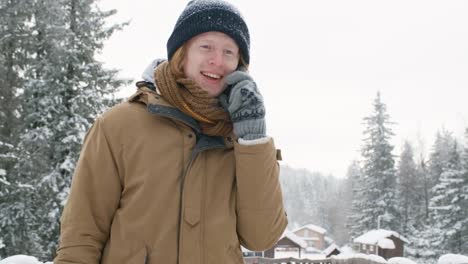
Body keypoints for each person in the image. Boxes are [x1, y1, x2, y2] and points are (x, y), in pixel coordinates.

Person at [54, 0, 287, 263]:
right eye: (206, 47)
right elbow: (81, 236)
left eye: (229, 52)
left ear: (239, 66)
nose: (217, 61)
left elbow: (262, 237)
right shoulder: (118, 126)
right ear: (181, 52)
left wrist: (253, 140)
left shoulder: (241, 141)